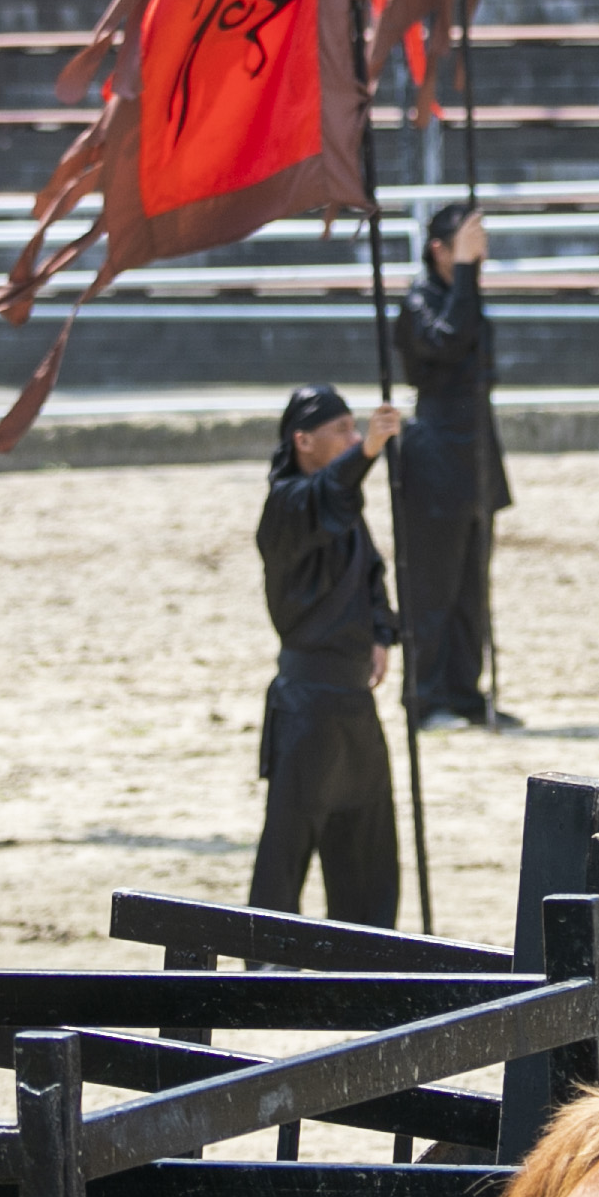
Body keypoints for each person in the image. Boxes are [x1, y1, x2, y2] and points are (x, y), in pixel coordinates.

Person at [250, 383, 403, 927]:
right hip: (306, 704)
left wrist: (381, 634)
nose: (353, 437)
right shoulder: (287, 505)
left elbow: (373, 572)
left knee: (366, 841)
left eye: (354, 429)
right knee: (287, 846)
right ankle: (268, 970)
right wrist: (366, 455)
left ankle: (369, 962)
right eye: (340, 430)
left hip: (354, 702)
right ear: (303, 440)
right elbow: (327, 498)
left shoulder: (343, 511)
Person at [389, 205, 515, 732]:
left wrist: (468, 278)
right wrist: (464, 273)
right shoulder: (418, 303)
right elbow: (447, 342)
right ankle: (426, 696)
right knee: (433, 584)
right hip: (436, 445)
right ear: (439, 249)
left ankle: (465, 690)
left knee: (470, 584)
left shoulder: (467, 294)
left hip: (476, 445)